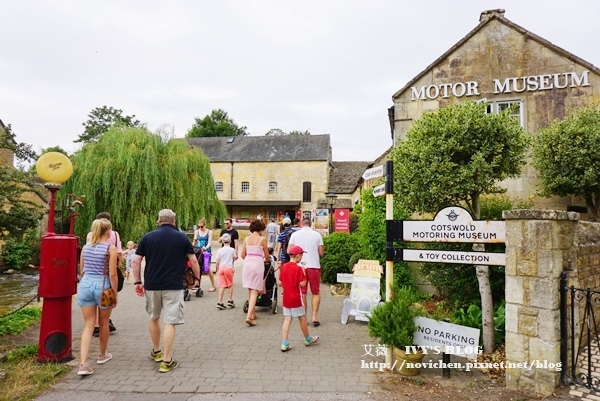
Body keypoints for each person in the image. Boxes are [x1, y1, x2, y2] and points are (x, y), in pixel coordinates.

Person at [132, 209, 201, 373]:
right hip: (174, 285)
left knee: (154, 317)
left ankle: (156, 351)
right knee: (170, 321)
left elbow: (136, 260)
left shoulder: (148, 237)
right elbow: (193, 260)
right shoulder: (182, 237)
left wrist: (137, 282)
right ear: (173, 221)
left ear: (158, 221)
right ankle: (167, 360)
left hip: (152, 284)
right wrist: (197, 279)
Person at [76, 218, 118, 375]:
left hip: (85, 285)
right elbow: (112, 274)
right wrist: (114, 293)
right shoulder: (110, 248)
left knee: (88, 325)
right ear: (108, 232)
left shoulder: (86, 248)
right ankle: (102, 354)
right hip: (102, 286)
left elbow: (82, 269)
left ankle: (83, 363)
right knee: (104, 322)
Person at [86, 212, 123, 336]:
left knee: (94, 300)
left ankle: (96, 325)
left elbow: (87, 253)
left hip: (93, 271)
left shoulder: (90, 235)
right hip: (109, 270)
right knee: (108, 296)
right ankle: (104, 322)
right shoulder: (115, 234)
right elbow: (119, 253)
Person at [278, 245, 320, 352]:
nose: (301, 258)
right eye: (301, 255)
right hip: (297, 298)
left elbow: (280, 283)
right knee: (302, 318)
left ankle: (284, 343)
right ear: (297, 256)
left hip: (286, 298)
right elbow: (303, 283)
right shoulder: (298, 268)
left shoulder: (284, 267)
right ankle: (307, 339)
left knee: (287, 319)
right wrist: (304, 272)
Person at [288, 218, 325, 326]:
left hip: (299, 266)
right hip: (314, 266)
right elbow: (321, 253)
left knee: (302, 293)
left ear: (301, 224)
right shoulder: (317, 235)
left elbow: (289, 251)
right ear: (311, 224)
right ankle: (315, 316)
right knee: (316, 292)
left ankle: (303, 316)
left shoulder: (295, 234)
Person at [241, 219, 270, 326]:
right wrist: (265, 259)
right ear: (261, 228)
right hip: (257, 264)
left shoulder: (247, 239)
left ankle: (252, 313)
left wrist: (249, 258)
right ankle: (249, 316)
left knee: (249, 288)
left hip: (247, 264)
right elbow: (267, 256)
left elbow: (242, 255)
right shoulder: (262, 239)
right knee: (255, 291)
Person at [215, 233, 236, 310]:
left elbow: (217, 261)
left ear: (223, 242)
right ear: (230, 241)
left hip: (221, 268)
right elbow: (234, 258)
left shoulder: (219, 250)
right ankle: (230, 300)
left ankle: (220, 302)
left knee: (222, 285)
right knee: (230, 284)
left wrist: (217, 269)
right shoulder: (232, 250)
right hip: (229, 268)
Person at [193, 218, 216, 292]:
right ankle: (197, 285)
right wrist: (193, 244)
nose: (200, 228)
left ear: (205, 225)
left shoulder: (209, 232)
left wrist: (205, 247)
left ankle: (213, 285)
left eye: (202, 226)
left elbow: (209, 242)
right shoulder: (197, 232)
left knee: (207, 268)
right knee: (197, 267)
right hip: (198, 251)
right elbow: (195, 241)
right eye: (199, 226)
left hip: (206, 251)